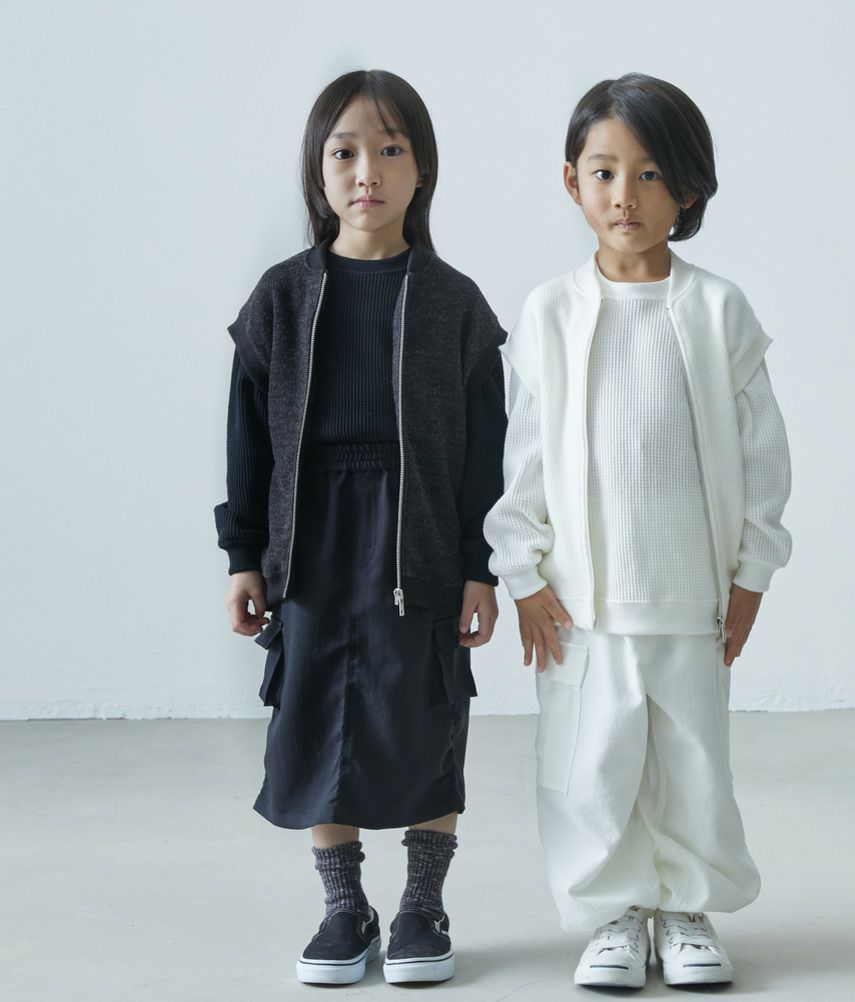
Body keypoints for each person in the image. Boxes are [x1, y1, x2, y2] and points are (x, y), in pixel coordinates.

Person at [483, 73, 792, 989]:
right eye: (605, 171)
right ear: (571, 180)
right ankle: (612, 914)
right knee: (590, 766)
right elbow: (524, 455)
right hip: (582, 602)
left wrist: (751, 575)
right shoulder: (550, 313)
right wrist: (522, 571)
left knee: (692, 762)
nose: (626, 195)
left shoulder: (718, 311)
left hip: (689, 595)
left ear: (688, 190)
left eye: (652, 174)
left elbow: (763, 454)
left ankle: (687, 908)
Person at [214, 69, 506, 986]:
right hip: (311, 541)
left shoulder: (457, 304)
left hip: (418, 538)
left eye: (390, 150)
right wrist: (242, 554)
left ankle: (423, 904)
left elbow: (486, 452)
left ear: (423, 171)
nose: (367, 172)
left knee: (426, 711)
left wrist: (480, 565)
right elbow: (248, 437)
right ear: (318, 169)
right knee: (313, 713)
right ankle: (345, 908)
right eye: (344, 152)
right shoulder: (281, 297)